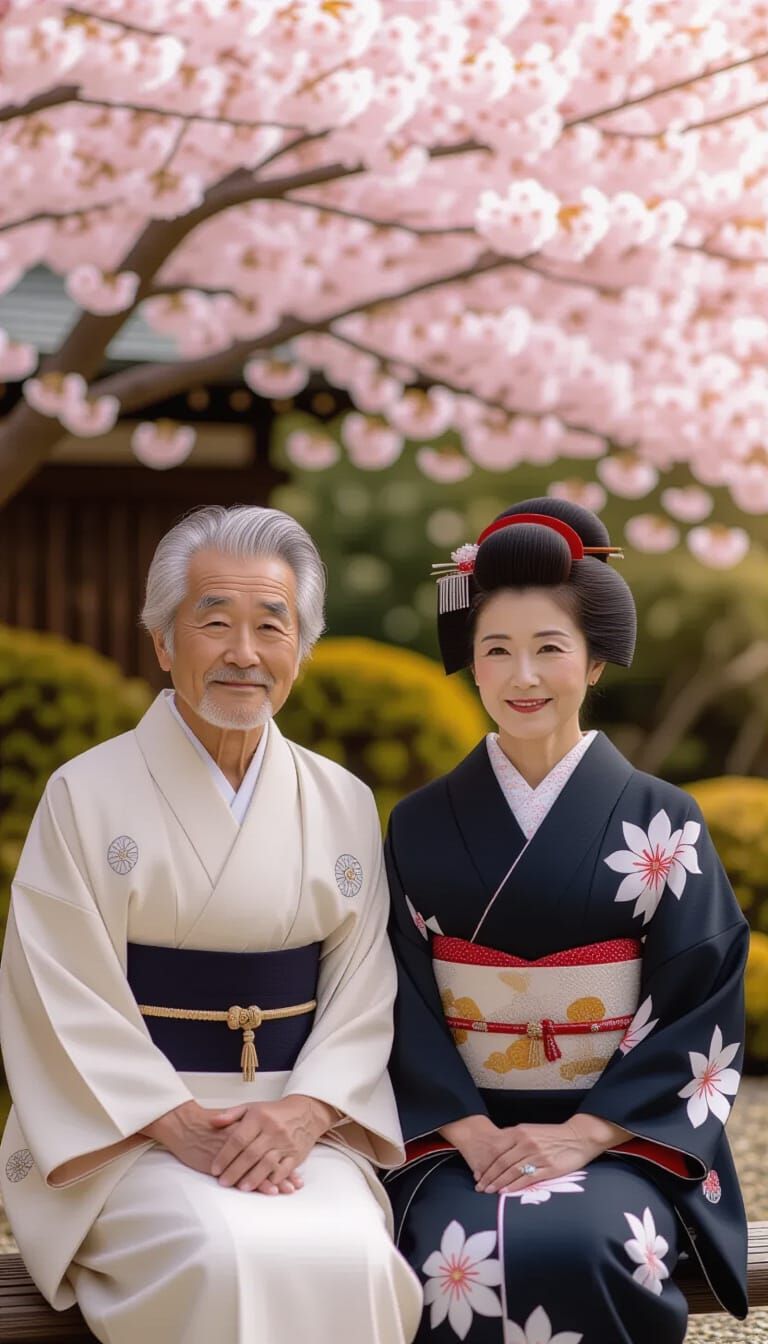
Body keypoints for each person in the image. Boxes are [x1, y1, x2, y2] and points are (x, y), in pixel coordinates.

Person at [0, 504, 422, 1344]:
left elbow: (365, 988)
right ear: (163, 643)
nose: (244, 653)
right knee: (219, 1253)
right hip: (131, 1136)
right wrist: (175, 1120)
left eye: (273, 625)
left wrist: (304, 1112)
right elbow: (59, 990)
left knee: (358, 1258)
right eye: (214, 622)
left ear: (300, 648)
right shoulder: (85, 795)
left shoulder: (339, 801)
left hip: (299, 1129)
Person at [383, 498, 748, 1344]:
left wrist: (583, 1136)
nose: (524, 678)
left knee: (591, 1241)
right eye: (496, 651)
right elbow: (393, 993)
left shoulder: (664, 821)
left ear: (593, 665)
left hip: (617, 1135)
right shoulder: (419, 824)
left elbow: (702, 996)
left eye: (550, 649)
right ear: (469, 665)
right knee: (449, 1255)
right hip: (459, 1137)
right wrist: (472, 1135)